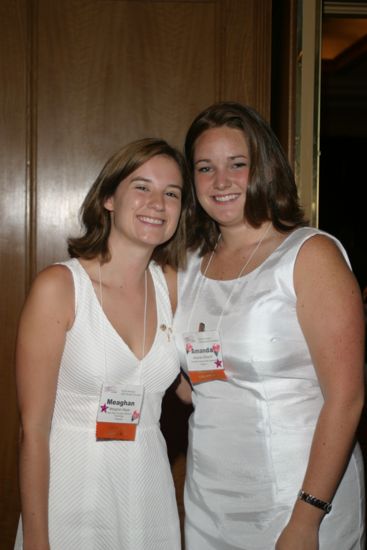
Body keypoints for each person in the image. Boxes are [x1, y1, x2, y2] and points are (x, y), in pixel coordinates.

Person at [169, 102, 365, 549]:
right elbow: (192, 383)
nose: (221, 182)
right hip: (208, 503)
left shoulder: (311, 256)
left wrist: (307, 518)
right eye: (205, 167)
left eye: (237, 164)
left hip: (295, 499)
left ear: (266, 167)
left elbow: (347, 399)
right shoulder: (190, 265)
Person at [14, 137, 190, 550]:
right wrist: (38, 540)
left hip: (149, 498)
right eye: (142, 187)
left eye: (172, 193)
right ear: (109, 198)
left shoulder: (171, 288)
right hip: (69, 497)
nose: (157, 203)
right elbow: (33, 430)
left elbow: (192, 384)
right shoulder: (60, 287)